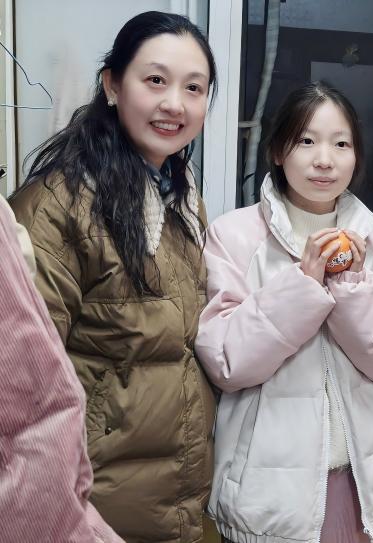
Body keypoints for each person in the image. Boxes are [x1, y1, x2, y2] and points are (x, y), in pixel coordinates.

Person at [194, 81, 373, 543]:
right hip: (265, 492)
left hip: (361, 483)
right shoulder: (235, 236)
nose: (324, 160)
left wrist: (350, 287)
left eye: (341, 144)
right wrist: (304, 285)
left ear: (356, 157)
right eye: (306, 141)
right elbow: (227, 362)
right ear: (278, 150)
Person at [10, 11, 217, 541]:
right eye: (156, 80)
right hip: (91, 512)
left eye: (194, 88)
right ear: (111, 85)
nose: (175, 104)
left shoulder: (181, 201)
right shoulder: (57, 207)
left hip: (175, 505)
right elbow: (20, 389)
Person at [0, 195, 122, 543]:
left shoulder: (182, 205)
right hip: (99, 482)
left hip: (165, 486)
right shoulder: (58, 204)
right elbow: (29, 418)